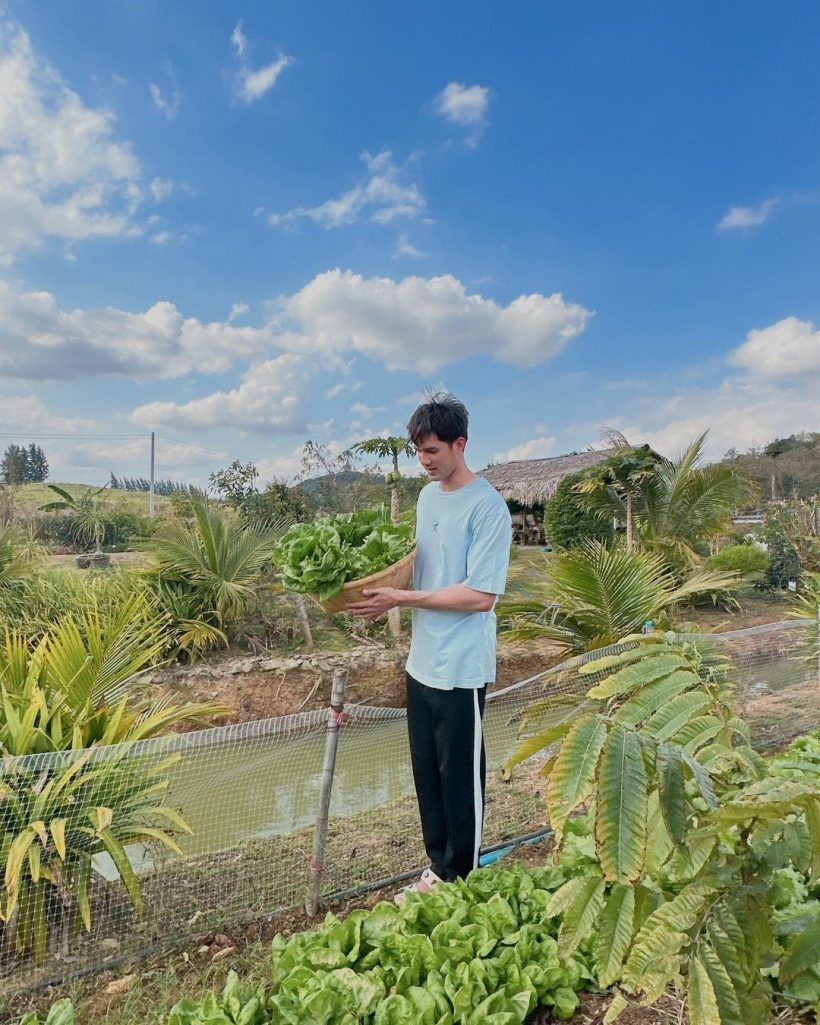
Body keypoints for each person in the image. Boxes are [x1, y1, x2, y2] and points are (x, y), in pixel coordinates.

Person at [347, 393, 512, 895]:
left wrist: (402, 596)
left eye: (433, 451)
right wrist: (373, 587)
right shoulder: (426, 497)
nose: (424, 461)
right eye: (419, 451)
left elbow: (480, 596)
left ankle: (464, 876)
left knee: (460, 779)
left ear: (461, 444)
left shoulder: (488, 508)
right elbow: (422, 560)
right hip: (423, 663)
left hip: (461, 667)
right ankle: (438, 870)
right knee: (428, 775)